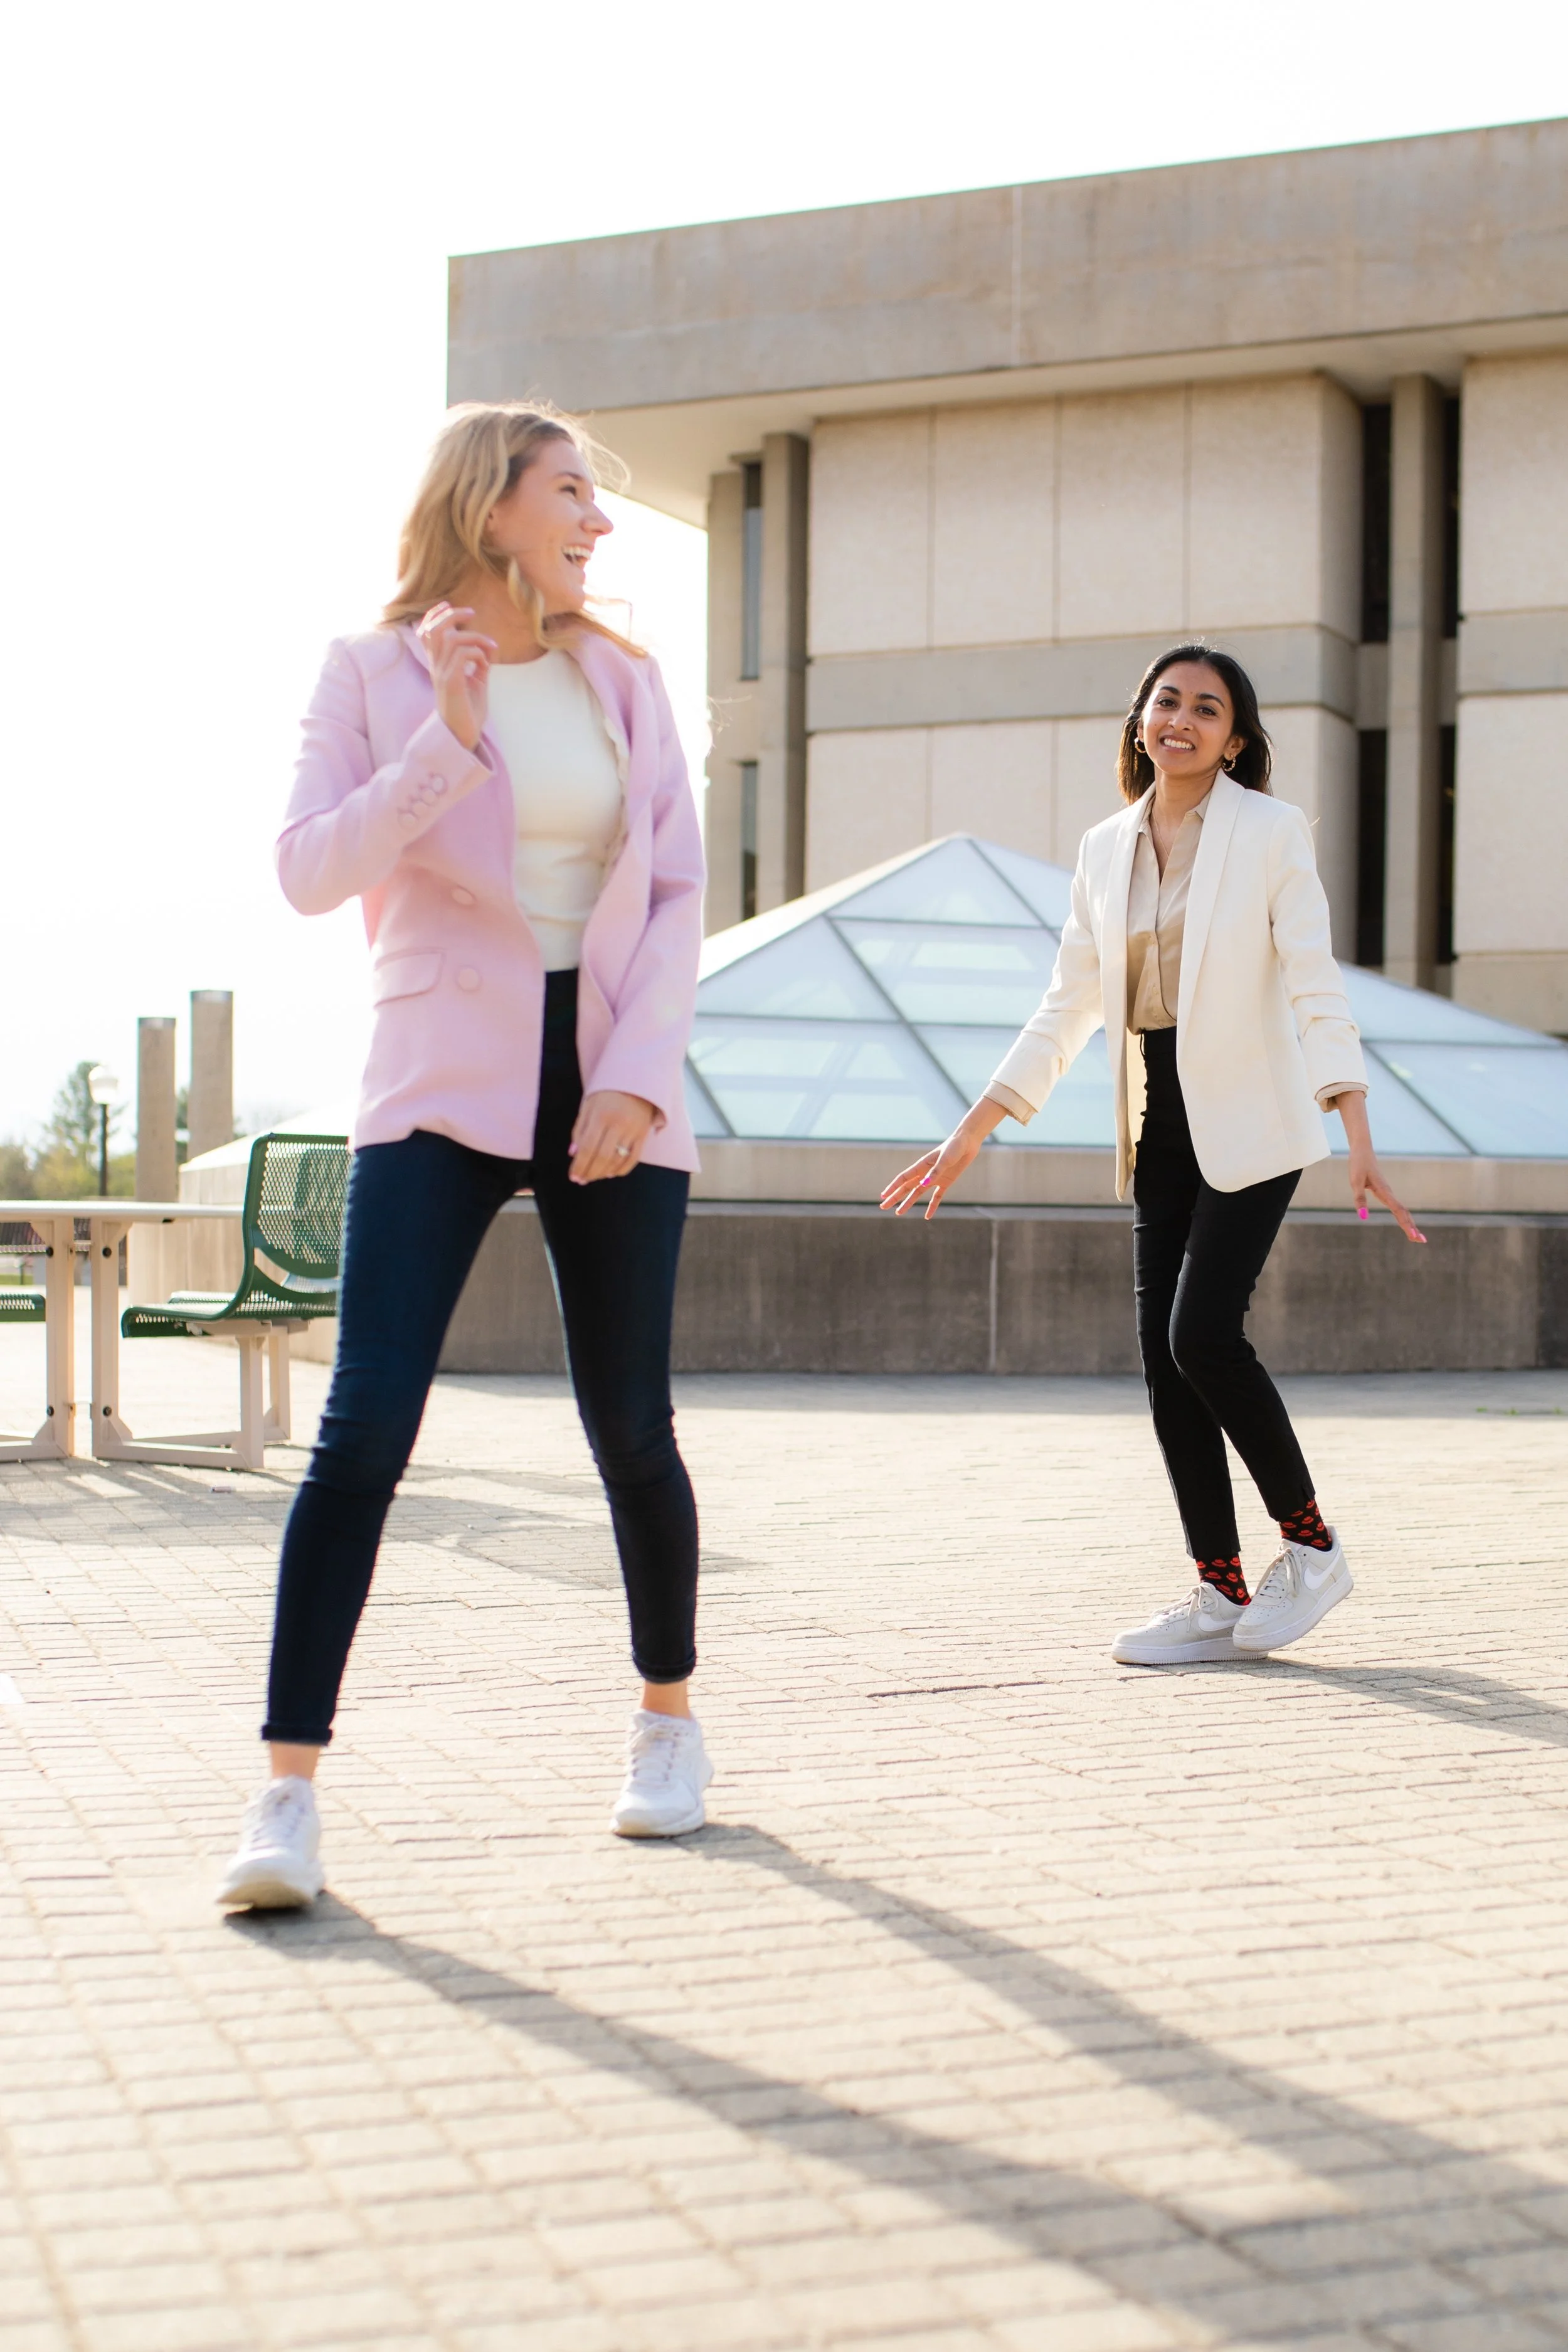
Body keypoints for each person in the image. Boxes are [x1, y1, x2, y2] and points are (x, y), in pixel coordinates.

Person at [220, 402, 711, 1910]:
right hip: (439, 1073)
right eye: (573, 493)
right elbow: (312, 872)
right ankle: (285, 1798)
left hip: (606, 1072)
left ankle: (666, 1724)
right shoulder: (367, 673)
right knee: (363, 1425)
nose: (600, 524)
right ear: (492, 507)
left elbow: (682, 888)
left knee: (628, 1423)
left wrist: (632, 1079)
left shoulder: (621, 676)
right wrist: (445, 737)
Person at [882, 645, 1425, 1668]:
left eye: (1206, 707)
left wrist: (1353, 1126)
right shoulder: (1105, 847)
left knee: (1202, 1335)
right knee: (1163, 1362)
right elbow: (1070, 1002)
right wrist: (970, 1132)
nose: (1181, 718)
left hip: (1257, 1120)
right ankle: (1219, 1591)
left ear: (1235, 737)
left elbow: (1314, 979)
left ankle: (1314, 1548)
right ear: (1140, 720)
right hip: (1157, 1116)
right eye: (1166, 700)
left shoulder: (1270, 831)